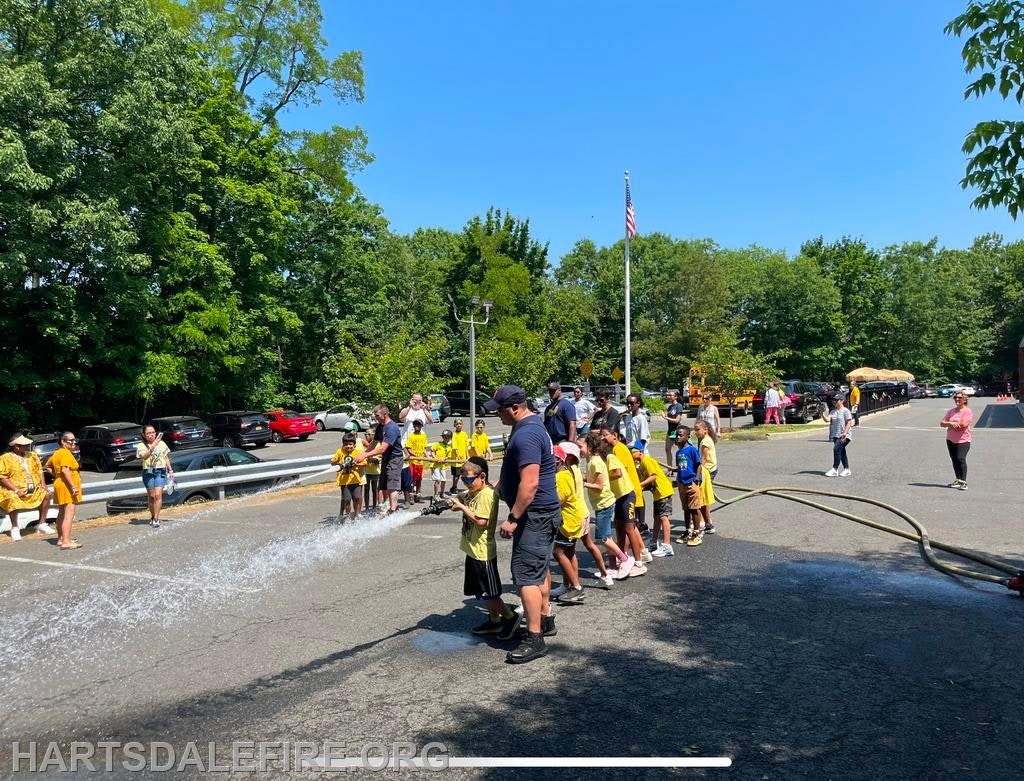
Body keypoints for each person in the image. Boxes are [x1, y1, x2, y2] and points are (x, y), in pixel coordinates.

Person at [486, 385, 560, 664]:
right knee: (539, 570)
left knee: (526, 576)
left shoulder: (527, 434)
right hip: (543, 513)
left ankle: (534, 638)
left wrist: (513, 518)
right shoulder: (531, 425)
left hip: (534, 515)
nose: (498, 416)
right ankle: (545, 618)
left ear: (515, 408)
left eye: (501, 411)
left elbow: (529, 484)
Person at [449, 457, 520, 636]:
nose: (466, 483)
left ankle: (510, 618)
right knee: (482, 592)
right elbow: (464, 498)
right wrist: (454, 502)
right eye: (463, 479)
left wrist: (462, 508)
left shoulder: (487, 494)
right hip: (472, 550)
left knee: (490, 593)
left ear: (482, 476)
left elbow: (481, 521)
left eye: (468, 480)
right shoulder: (474, 491)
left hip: (483, 553)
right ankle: (494, 621)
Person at [579, 433, 627, 588]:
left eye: (580, 446)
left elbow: (599, 486)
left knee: (603, 538)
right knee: (604, 537)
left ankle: (624, 559)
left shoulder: (595, 462)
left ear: (590, 446)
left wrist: (583, 483)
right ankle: (615, 564)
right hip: (601, 504)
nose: (579, 449)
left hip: (604, 503)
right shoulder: (591, 461)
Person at [602, 429, 648, 576]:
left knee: (630, 528)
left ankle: (639, 562)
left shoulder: (617, 449)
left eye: (605, 435)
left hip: (627, 492)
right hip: (620, 495)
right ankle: (625, 557)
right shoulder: (614, 450)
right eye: (601, 436)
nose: (602, 438)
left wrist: (601, 479)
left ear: (614, 436)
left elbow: (620, 471)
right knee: (621, 527)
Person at [550, 442, 587, 604]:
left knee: (558, 552)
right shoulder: (566, 473)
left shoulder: (562, 476)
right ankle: (568, 584)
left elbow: (558, 499)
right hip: (572, 518)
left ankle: (577, 588)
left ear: (558, 460)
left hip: (568, 521)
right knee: (569, 552)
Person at [0, 434, 54, 540]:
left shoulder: (32, 456)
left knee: (46, 494)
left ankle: (41, 523)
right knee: (12, 498)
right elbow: (2, 477)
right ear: (16, 446)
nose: (27, 446)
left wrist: (43, 485)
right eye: (24, 445)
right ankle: (15, 527)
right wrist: (16, 489)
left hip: (33, 488)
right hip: (14, 489)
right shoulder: (5, 458)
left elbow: (39, 471)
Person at [354, 404, 402, 513]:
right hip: (386, 458)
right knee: (383, 485)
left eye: (377, 415)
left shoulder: (392, 427)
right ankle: (386, 506)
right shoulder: (380, 426)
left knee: (392, 485)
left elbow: (382, 448)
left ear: (385, 414)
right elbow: (374, 442)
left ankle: (393, 509)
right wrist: (364, 454)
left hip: (394, 459)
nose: (376, 417)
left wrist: (365, 455)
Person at [631, 441, 675, 557]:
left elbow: (653, 476)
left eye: (633, 452)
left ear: (640, 452)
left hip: (663, 491)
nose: (631, 454)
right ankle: (654, 542)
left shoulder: (646, 461)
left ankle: (667, 545)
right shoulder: (640, 465)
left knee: (663, 517)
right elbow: (647, 483)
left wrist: (640, 485)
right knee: (657, 518)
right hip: (657, 493)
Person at [45, 432, 83, 549]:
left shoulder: (57, 453)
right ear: (63, 441)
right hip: (66, 486)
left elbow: (48, 466)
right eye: (70, 441)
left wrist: (57, 476)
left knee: (62, 512)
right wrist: (72, 486)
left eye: (74, 440)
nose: (73, 443)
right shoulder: (65, 453)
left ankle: (61, 538)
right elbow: (65, 470)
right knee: (69, 513)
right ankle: (66, 541)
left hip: (60, 484)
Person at [136, 424, 175, 529]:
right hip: (148, 472)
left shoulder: (161, 443)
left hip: (160, 471)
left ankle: (156, 519)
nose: (151, 435)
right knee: (151, 496)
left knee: (158, 495)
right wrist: (152, 447)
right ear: (144, 435)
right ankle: (152, 516)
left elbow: (165, 457)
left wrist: (170, 470)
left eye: (153, 432)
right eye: (148, 433)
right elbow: (144, 456)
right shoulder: (141, 445)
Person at [673, 426, 705, 546]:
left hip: (692, 483)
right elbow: (682, 467)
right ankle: (687, 530)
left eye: (681, 435)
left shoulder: (691, 450)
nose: (678, 437)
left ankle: (696, 533)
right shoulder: (678, 452)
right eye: (677, 435)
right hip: (682, 484)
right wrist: (674, 474)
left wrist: (697, 479)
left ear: (687, 436)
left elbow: (698, 465)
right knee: (686, 509)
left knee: (694, 508)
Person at [941, 391, 973, 490]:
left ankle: (963, 482)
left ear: (964, 400)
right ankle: (958, 480)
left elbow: (963, 425)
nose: (957, 399)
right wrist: (951, 424)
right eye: (955, 397)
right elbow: (942, 423)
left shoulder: (967, 411)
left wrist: (950, 423)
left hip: (963, 440)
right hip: (950, 439)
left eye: (959, 398)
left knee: (960, 459)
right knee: (954, 460)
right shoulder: (951, 411)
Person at [331, 432, 365, 520]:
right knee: (347, 499)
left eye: (350, 444)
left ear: (354, 445)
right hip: (344, 481)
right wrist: (339, 463)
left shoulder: (358, 452)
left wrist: (355, 464)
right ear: (343, 445)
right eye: (346, 444)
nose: (348, 446)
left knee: (357, 497)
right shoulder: (340, 451)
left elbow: (364, 464)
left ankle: (357, 514)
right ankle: (348, 515)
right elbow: (333, 462)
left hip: (356, 480)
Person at [693, 419, 718, 535]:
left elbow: (703, 459)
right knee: (705, 495)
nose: (696, 432)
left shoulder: (704, 442)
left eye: (698, 430)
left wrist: (697, 473)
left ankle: (704, 522)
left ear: (705, 430)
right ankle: (706, 521)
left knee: (703, 497)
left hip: (707, 471)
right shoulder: (706, 439)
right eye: (695, 430)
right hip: (711, 469)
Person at [822, 394, 854, 477]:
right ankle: (847, 469)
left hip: (845, 435)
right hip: (836, 435)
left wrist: (844, 433)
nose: (834, 402)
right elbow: (827, 420)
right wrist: (822, 413)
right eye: (833, 400)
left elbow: (849, 422)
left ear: (842, 401)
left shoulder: (846, 411)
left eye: (836, 400)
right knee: (841, 452)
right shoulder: (833, 411)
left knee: (836, 449)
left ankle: (834, 469)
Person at [404, 418, 428, 502]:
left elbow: (424, 449)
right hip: (413, 461)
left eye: (418, 425)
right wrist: (415, 455)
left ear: (421, 426)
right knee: (412, 480)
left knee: (419, 479)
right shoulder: (411, 436)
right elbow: (408, 448)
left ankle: (418, 495)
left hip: (420, 462)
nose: (416, 426)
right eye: (415, 425)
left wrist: (428, 457)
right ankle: (411, 496)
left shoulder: (423, 436)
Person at [661, 390, 685, 465]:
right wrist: (665, 415)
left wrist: (665, 418)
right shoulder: (670, 407)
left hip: (677, 430)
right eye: (668, 395)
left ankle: (682, 467)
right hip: (670, 430)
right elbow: (669, 416)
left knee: (681, 450)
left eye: (671, 395)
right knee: (667, 449)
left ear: (675, 397)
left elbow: (677, 420)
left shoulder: (679, 406)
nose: (669, 397)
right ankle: (670, 469)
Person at [359, 427, 380, 511]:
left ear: (374, 435)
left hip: (375, 471)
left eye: (369, 434)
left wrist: (369, 458)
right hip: (366, 471)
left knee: (375, 489)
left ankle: (375, 506)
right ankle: (367, 507)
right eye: (365, 434)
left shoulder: (377, 444)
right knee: (366, 489)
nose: (366, 436)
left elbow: (378, 459)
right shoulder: (364, 445)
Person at [449, 418, 469, 495]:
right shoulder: (453, 435)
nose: (458, 425)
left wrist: (468, 456)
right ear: (454, 425)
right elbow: (455, 448)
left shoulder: (464, 434)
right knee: (456, 475)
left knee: (465, 473)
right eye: (457, 424)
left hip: (464, 458)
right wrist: (459, 457)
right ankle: (454, 487)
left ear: (462, 425)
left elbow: (466, 446)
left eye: (460, 424)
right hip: (456, 459)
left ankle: (469, 487)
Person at [430, 430, 453, 498]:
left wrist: (444, 459)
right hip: (435, 465)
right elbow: (432, 451)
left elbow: (448, 456)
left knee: (443, 480)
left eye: (448, 437)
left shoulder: (449, 448)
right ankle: (436, 494)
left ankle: (442, 493)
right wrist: (435, 458)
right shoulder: (438, 444)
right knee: (438, 480)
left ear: (450, 438)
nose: (446, 438)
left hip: (443, 466)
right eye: (444, 437)